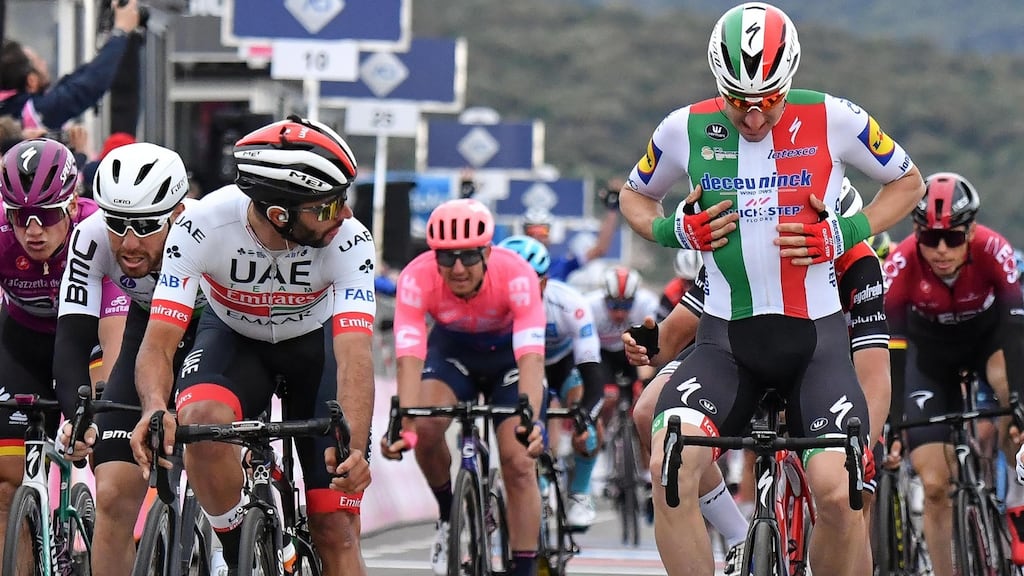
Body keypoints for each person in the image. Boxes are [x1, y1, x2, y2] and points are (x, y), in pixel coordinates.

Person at [615, 3, 925, 575]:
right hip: (726, 345)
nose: (754, 116)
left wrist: (845, 231)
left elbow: (908, 183)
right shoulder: (682, 128)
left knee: (840, 494)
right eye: (738, 101)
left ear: (790, 80)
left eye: (769, 99)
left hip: (816, 348)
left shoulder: (834, 117)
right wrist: (671, 229)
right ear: (718, 84)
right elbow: (635, 196)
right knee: (669, 461)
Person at [127, 115, 375, 576]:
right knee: (199, 422)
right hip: (234, 340)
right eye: (327, 206)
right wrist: (155, 407)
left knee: (336, 530)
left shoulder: (350, 241)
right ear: (280, 214)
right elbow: (159, 342)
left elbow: (355, 355)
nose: (344, 215)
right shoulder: (201, 226)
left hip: (314, 349)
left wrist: (355, 446)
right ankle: (238, 549)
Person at [626, 178, 892, 573]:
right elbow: (674, 335)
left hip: (824, 368)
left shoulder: (860, 264)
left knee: (852, 494)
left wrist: (865, 447)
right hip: (734, 356)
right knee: (649, 413)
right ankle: (736, 533)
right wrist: (646, 343)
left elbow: (873, 371)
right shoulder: (756, 244)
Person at [53, 142, 201, 574]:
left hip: (213, 329)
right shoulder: (90, 236)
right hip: (148, 328)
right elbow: (73, 336)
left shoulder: (206, 230)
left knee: (215, 459)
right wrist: (77, 417)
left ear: (176, 214)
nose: (129, 242)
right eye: (117, 224)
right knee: (113, 494)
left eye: (145, 226)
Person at [380, 199, 546, 576]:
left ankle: (524, 569)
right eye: (446, 257)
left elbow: (531, 357)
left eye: (469, 257)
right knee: (425, 428)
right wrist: (405, 424)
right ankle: (447, 516)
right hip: (452, 354)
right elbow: (410, 354)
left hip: (508, 361)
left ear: (487, 252)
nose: (457, 269)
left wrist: (531, 420)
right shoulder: (416, 277)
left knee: (519, 462)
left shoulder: (516, 274)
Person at [884, 172, 1024, 575]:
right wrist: (895, 422)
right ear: (916, 234)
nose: (941, 250)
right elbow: (893, 349)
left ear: (972, 231)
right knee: (934, 486)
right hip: (929, 360)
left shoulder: (994, 249)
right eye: (931, 239)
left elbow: (1015, 328)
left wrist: (1017, 404)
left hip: (988, 344)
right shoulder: (900, 264)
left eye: (953, 238)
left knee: (1009, 389)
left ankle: (1016, 494)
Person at [0, 137, 127, 567]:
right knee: (5, 484)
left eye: (48, 214)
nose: (33, 230)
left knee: (105, 449)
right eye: (21, 217)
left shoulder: (98, 233)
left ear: (72, 204)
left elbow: (114, 330)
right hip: (22, 343)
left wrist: (98, 407)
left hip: (89, 341)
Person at [498, 234, 609, 530]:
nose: (517, 289)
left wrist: (586, 417)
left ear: (544, 283)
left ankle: (580, 492)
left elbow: (592, 372)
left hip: (562, 364)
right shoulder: (493, 306)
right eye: (509, 281)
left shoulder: (571, 305)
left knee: (588, 424)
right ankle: (538, 476)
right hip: (517, 364)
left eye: (526, 281)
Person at [0, 0, 142, 132]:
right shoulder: (32, 115)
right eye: (39, 61)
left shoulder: (10, 108)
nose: (44, 63)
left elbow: (75, 82)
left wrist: (111, 41)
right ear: (32, 81)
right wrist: (120, 31)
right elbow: (87, 86)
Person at [521, 177, 621, 282]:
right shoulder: (513, 263)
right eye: (532, 232)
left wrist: (612, 209)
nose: (537, 238)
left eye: (542, 232)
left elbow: (599, 250)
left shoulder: (561, 265)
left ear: (549, 235)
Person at [657, 249, 702, 322]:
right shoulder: (672, 292)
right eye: (688, 282)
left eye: (698, 281)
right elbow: (660, 322)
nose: (692, 287)